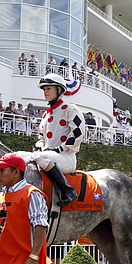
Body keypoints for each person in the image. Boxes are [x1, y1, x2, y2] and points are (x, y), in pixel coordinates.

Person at [27, 73, 84, 207]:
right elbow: (41, 138)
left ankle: (68, 190)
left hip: (66, 157)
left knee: (41, 157)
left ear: (59, 90)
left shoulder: (70, 109)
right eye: (44, 89)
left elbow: (77, 134)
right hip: (48, 155)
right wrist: (39, 146)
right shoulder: (46, 114)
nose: (45, 92)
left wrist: (59, 148)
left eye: (49, 88)